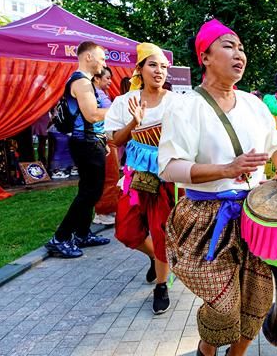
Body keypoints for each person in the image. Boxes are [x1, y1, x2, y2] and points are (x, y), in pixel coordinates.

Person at [158, 19, 277, 356]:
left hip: (255, 215)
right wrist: (226, 169)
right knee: (223, 306)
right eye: (229, 46)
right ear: (205, 57)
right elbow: (169, 167)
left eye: (241, 48)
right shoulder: (185, 106)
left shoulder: (254, 105)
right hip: (206, 218)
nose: (240, 54)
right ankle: (207, 350)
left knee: (258, 300)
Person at [106, 43, 178, 314]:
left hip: (166, 174)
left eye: (163, 66)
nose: (159, 71)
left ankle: (162, 284)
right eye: (153, 65)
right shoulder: (125, 102)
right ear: (140, 69)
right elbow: (114, 140)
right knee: (125, 231)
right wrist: (134, 122)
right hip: (135, 174)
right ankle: (155, 258)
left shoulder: (175, 101)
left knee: (161, 231)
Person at [44, 41, 111, 258]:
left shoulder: (84, 82)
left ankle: (82, 233)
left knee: (89, 190)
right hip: (86, 144)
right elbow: (92, 115)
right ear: (88, 57)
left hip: (88, 142)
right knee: (90, 192)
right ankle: (60, 238)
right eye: (101, 58)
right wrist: (118, 109)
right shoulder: (81, 82)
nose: (104, 62)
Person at [92, 67, 118, 225]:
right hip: (102, 139)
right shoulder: (93, 95)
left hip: (107, 137)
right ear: (97, 78)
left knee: (111, 175)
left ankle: (107, 208)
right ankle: (103, 211)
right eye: (107, 78)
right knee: (109, 176)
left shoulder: (100, 94)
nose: (109, 81)